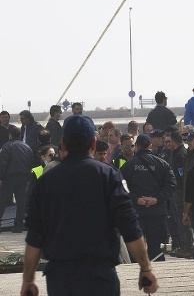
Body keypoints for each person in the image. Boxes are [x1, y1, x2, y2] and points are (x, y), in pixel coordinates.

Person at [21, 115, 158, 296]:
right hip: (99, 276)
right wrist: (145, 268)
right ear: (94, 144)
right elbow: (130, 227)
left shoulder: (46, 181)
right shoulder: (108, 176)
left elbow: (34, 237)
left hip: (60, 278)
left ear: (63, 144)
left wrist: (28, 280)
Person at [120, 134, 176, 262]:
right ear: (150, 145)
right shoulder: (163, 164)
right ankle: (159, 273)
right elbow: (172, 185)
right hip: (157, 211)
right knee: (155, 246)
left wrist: (136, 199)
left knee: (135, 246)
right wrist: (156, 199)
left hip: (135, 211)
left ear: (137, 146)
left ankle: (136, 272)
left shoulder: (128, 165)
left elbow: (119, 185)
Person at [0, 126, 33, 232]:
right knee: (21, 202)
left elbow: (2, 164)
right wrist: (28, 178)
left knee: (3, 201)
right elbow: (30, 164)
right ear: (20, 135)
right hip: (23, 177)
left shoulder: (6, 147)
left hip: (9, 178)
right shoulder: (27, 147)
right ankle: (19, 225)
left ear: (10, 135)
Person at [165, 130, 192, 257]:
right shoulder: (175, 153)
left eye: (169, 141)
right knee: (178, 220)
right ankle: (183, 244)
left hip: (180, 192)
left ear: (174, 140)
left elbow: (182, 175)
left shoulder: (180, 155)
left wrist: (180, 190)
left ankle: (187, 246)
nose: (167, 144)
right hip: (177, 191)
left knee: (183, 220)